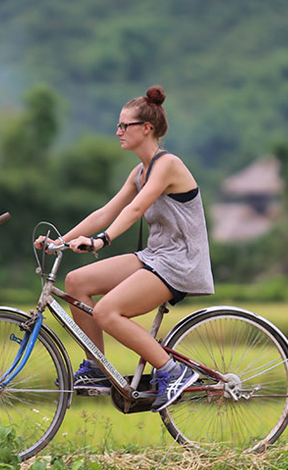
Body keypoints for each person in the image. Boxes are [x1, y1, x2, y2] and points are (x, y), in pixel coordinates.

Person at [34, 85, 214, 412]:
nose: (117, 132)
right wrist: (59, 242)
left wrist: (102, 240)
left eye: (124, 125)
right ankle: (97, 369)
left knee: (106, 312)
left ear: (146, 129)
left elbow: (133, 211)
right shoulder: (139, 172)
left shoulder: (168, 165)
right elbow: (106, 212)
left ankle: (173, 371)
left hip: (180, 263)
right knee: (76, 282)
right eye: (118, 125)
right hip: (155, 257)